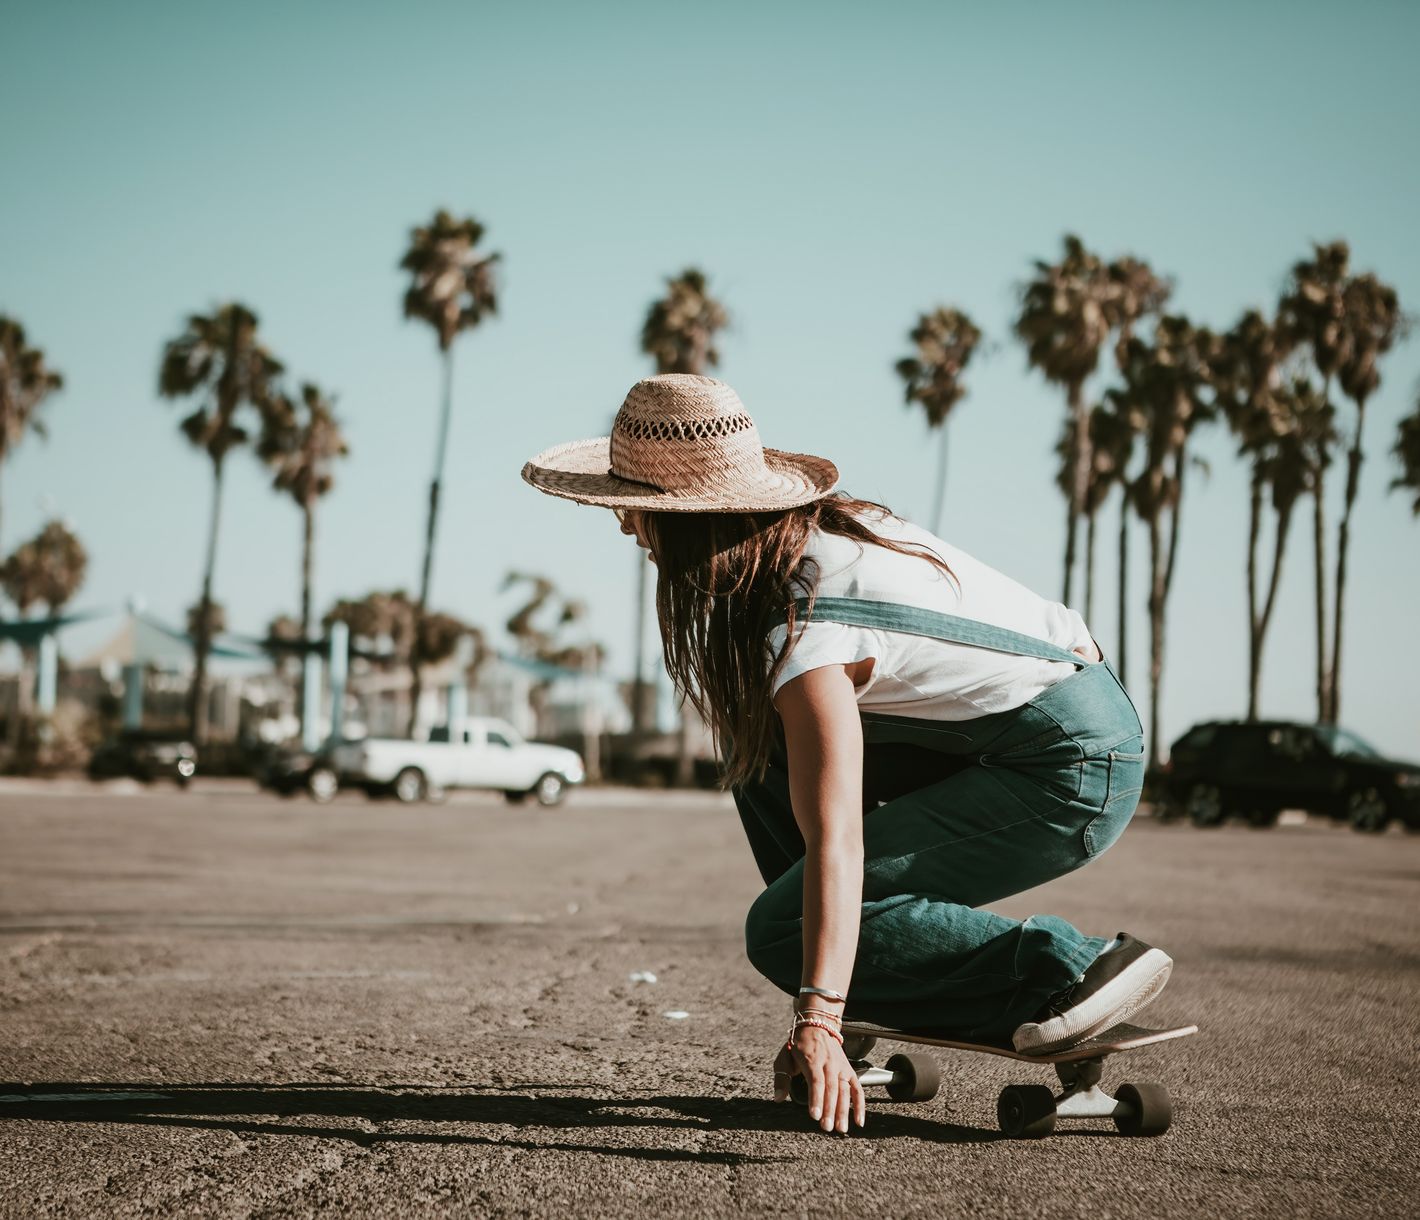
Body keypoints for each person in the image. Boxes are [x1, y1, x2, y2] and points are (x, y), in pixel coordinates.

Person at [521, 373, 1171, 1136]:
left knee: (776, 929)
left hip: (1071, 767)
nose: (629, 528)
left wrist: (817, 1019)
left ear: (694, 520)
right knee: (757, 750)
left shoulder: (807, 625)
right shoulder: (825, 533)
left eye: (638, 508)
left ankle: (1071, 968)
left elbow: (839, 839)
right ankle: (853, 961)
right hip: (1040, 719)